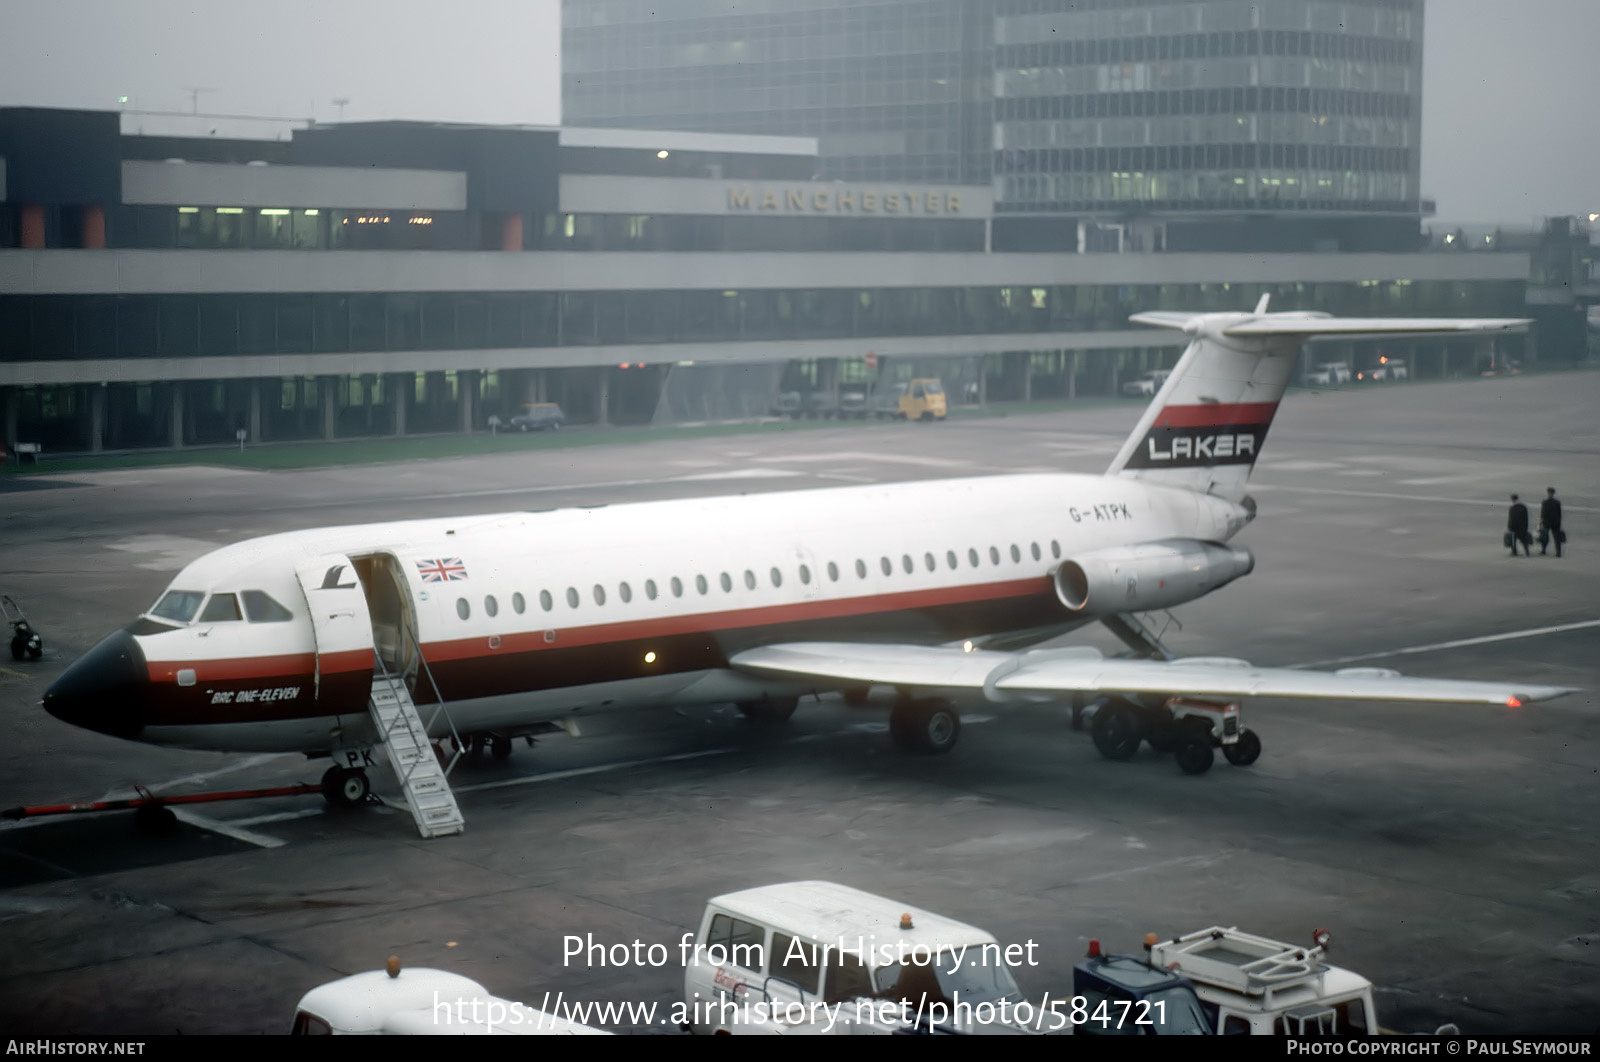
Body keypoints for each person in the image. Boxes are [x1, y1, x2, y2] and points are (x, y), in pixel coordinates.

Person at [1539, 487, 1564, 557]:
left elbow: (1542, 514)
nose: (1549, 494)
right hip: (1553, 523)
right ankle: (1557, 552)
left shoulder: (1545, 502)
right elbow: (1559, 514)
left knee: (1545, 538)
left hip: (1548, 523)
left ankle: (1544, 551)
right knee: (1555, 538)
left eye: (1550, 493)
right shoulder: (1557, 502)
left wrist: (1540, 524)